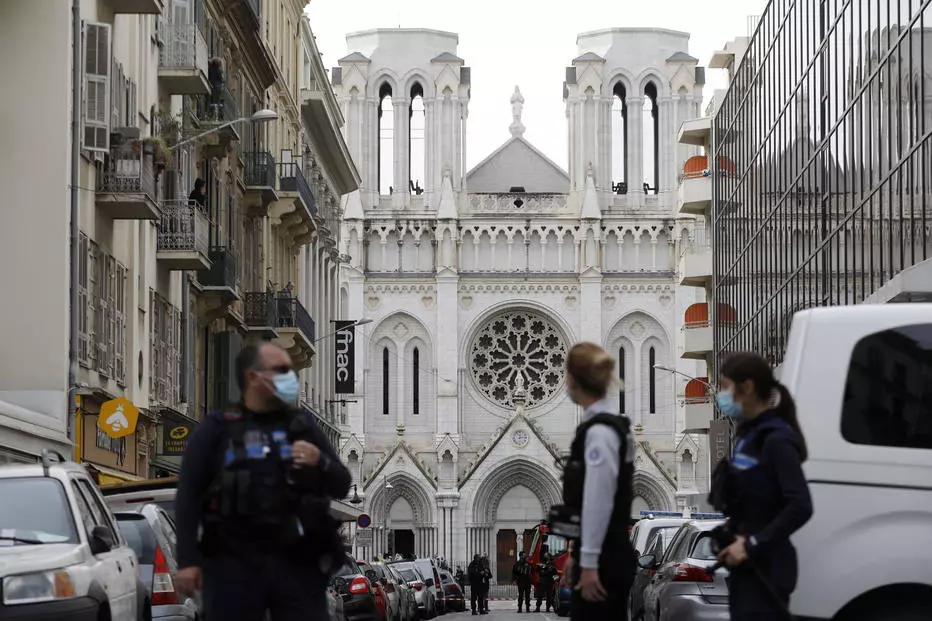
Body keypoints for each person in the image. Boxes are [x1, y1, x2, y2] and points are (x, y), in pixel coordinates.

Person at [174, 341, 352, 621]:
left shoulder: (301, 425)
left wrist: (320, 460)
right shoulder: (217, 428)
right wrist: (187, 561)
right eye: (280, 369)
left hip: (295, 562)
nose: (289, 376)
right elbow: (188, 496)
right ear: (252, 377)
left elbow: (341, 483)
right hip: (233, 563)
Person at [710, 352, 813, 620]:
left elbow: (800, 505)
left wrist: (753, 543)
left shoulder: (776, 439)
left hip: (766, 571)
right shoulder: (748, 436)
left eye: (724, 386)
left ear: (747, 388)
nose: (719, 394)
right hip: (746, 571)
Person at [559, 343, 636, 621]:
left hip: (605, 557)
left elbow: (597, 501)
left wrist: (589, 562)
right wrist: (575, 554)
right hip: (605, 553)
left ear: (574, 379)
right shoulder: (608, 426)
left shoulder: (600, 433)